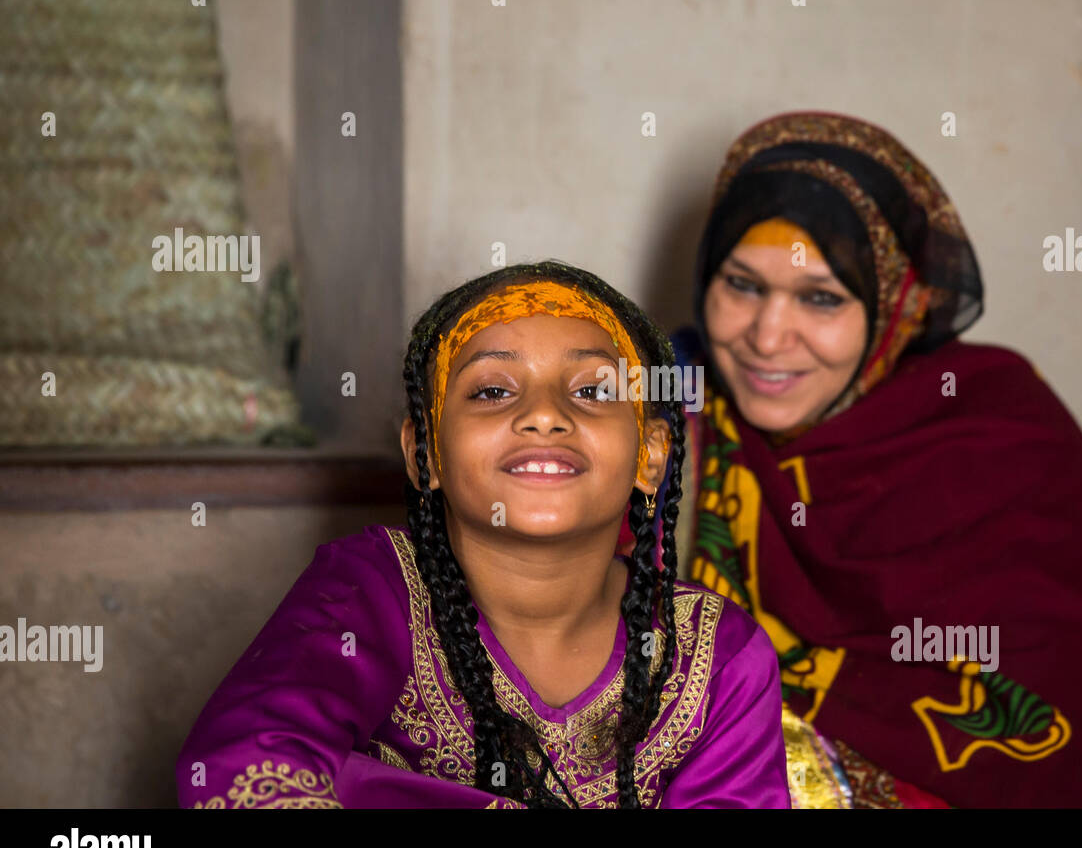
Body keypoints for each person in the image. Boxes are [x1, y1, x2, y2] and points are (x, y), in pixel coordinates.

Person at [647, 111, 1082, 808]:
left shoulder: (1005, 440)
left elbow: (1050, 743)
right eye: (742, 285)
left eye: (820, 298)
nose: (766, 335)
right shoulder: (666, 413)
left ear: (899, 305)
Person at [176, 261, 790, 808]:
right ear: (426, 455)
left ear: (650, 456)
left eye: (593, 391)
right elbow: (246, 763)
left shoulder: (719, 658)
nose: (546, 414)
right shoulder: (374, 589)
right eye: (493, 391)